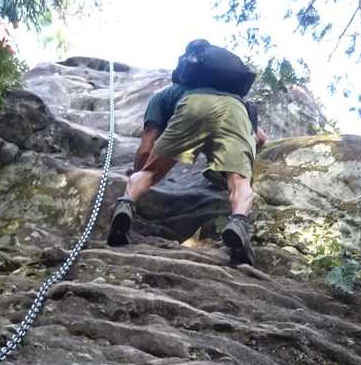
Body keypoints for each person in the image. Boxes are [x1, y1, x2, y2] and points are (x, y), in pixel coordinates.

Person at [106, 71, 268, 266]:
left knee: (149, 173)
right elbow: (260, 138)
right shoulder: (233, 95)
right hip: (234, 111)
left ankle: (125, 206)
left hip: (192, 106)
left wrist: (141, 171)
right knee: (239, 183)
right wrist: (234, 167)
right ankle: (238, 223)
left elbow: (146, 148)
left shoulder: (164, 96)